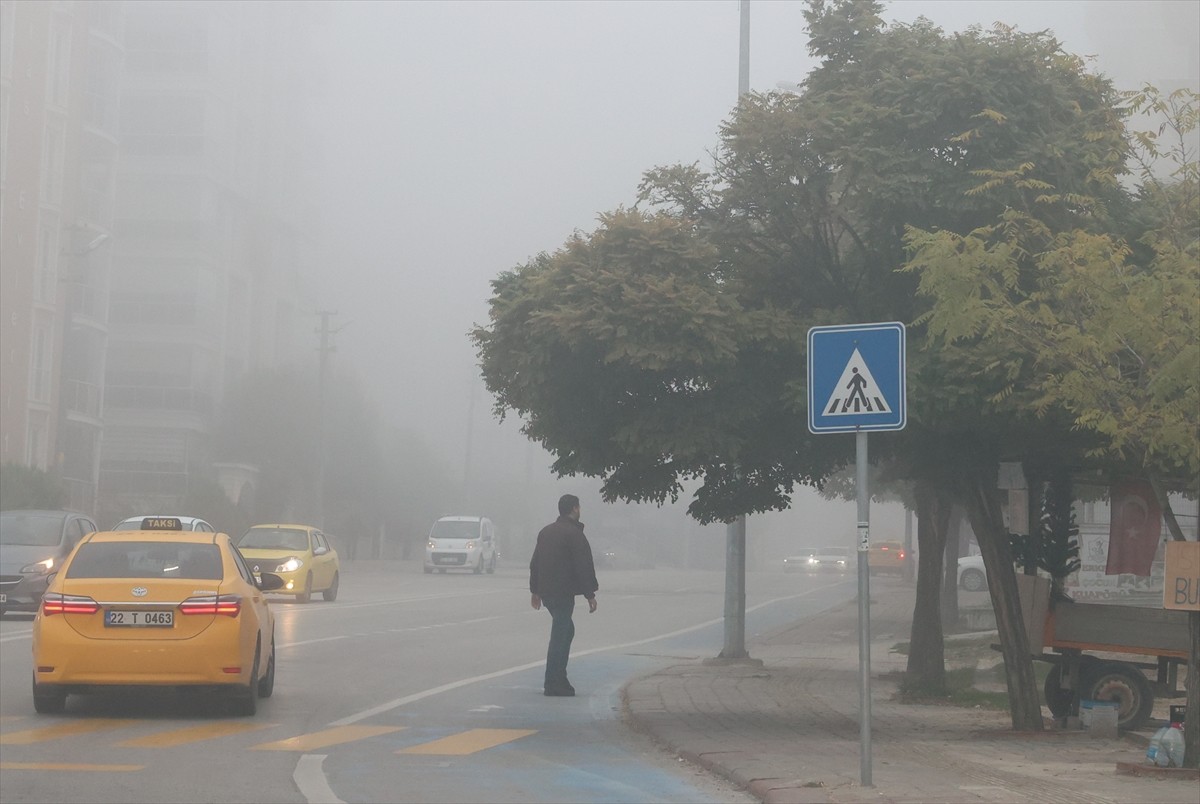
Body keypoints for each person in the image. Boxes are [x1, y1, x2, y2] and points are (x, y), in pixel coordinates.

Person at [529, 494, 598, 697]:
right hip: (563, 591)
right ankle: (553, 682)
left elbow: (535, 563)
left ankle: (560, 678)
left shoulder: (546, 532)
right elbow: (583, 565)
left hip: (547, 592)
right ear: (575, 509)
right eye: (579, 507)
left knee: (566, 630)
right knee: (560, 634)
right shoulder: (574, 534)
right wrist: (590, 594)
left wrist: (535, 590)